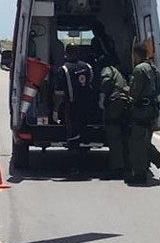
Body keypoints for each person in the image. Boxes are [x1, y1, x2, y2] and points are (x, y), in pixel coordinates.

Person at [126, 40, 160, 186]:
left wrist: (125, 91)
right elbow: (158, 90)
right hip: (152, 109)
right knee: (144, 141)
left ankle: (141, 173)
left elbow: (134, 93)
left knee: (137, 142)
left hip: (141, 110)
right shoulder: (153, 68)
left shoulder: (139, 69)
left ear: (136, 54)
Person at [52, 43, 96, 175]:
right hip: (88, 107)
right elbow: (92, 84)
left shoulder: (64, 70)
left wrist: (55, 111)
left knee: (73, 137)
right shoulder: (87, 67)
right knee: (84, 134)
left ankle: (74, 166)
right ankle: (86, 163)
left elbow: (59, 95)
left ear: (66, 54)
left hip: (72, 107)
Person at [97, 49, 131, 180]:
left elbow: (106, 82)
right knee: (125, 136)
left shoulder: (107, 69)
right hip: (123, 103)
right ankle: (128, 164)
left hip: (115, 103)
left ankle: (117, 167)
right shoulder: (118, 72)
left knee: (113, 135)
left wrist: (101, 97)